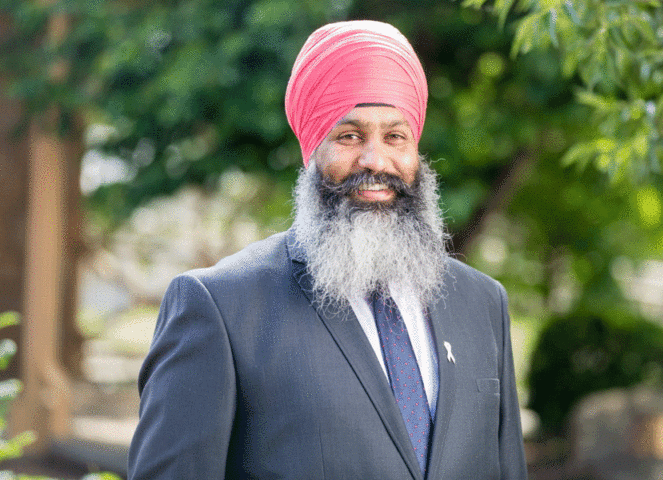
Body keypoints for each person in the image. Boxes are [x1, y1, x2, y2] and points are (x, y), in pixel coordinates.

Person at [128, 20, 527, 480]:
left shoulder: (482, 303)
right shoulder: (220, 306)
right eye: (349, 136)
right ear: (311, 148)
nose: (376, 161)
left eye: (395, 137)